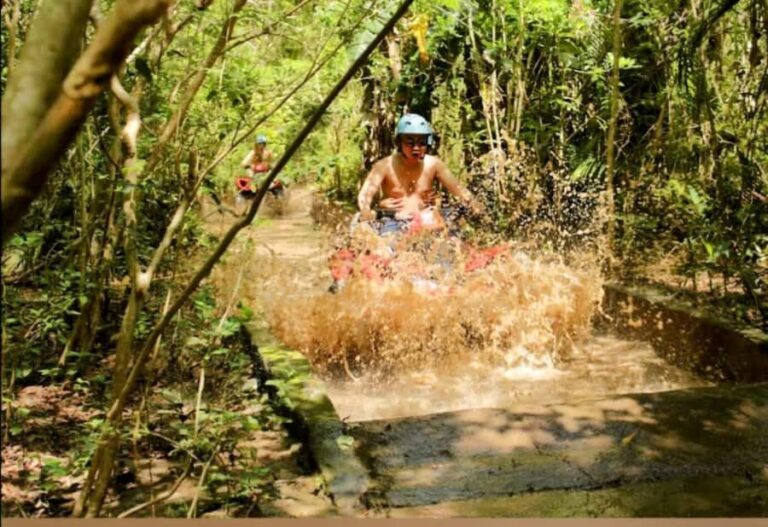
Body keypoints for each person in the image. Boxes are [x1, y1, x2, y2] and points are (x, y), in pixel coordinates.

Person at [357, 113, 482, 227]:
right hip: (393, 221)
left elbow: (460, 191)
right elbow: (365, 195)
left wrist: (477, 208)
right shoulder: (384, 165)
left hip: (426, 222)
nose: (416, 148)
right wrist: (366, 210)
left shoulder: (434, 164)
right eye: (410, 143)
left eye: (422, 143)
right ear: (399, 142)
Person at [235, 135, 277, 215]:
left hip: (265, 174)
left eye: (263, 144)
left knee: (274, 184)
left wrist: (271, 167)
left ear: (265, 144)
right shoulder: (252, 153)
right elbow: (243, 163)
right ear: (256, 145)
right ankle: (243, 209)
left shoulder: (268, 153)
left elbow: (273, 163)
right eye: (259, 144)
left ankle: (276, 202)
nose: (261, 146)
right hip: (254, 175)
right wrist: (249, 165)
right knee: (246, 188)